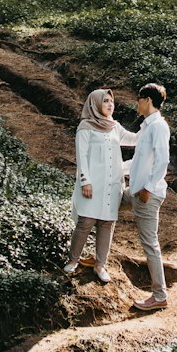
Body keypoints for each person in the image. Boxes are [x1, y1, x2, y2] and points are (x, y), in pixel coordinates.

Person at [63, 88, 136, 284]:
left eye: (111, 101)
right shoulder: (86, 127)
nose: (110, 104)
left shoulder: (114, 126)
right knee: (85, 222)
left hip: (112, 184)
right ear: (95, 104)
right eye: (105, 101)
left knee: (107, 223)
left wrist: (151, 129)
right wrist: (85, 181)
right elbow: (81, 155)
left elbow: (132, 139)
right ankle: (73, 260)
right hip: (92, 184)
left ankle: (100, 265)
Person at [127, 81, 171, 312]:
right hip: (134, 191)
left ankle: (159, 295)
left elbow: (163, 160)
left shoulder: (158, 127)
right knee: (107, 207)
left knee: (149, 243)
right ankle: (99, 259)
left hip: (146, 195)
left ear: (147, 101)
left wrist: (148, 188)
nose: (136, 103)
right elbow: (138, 162)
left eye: (138, 99)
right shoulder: (146, 126)